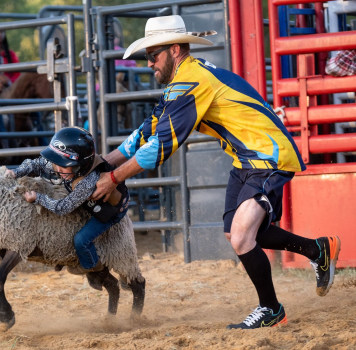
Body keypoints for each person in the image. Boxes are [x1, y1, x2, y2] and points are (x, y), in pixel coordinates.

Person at [91, 15, 341, 329]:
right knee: (239, 233)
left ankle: (271, 309)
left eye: (153, 55)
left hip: (268, 155)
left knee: (241, 235)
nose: (149, 63)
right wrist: (103, 163)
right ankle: (316, 249)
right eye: (147, 56)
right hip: (248, 157)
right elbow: (144, 134)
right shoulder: (181, 82)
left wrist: (112, 178)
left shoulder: (189, 82)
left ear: (176, 50)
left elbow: (160, 147)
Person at [5, 126, 129, 274]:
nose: (57, 168)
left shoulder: (87, 182)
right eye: (56, 162)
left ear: (80, 165)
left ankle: (92, 266)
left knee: (81, 240)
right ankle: (63, 256)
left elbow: (63, 208)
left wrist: (38, 198)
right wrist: (16, 172)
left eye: (64, 165)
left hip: (108, 211)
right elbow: (35, 164)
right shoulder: (63, 166)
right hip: (84, 200)